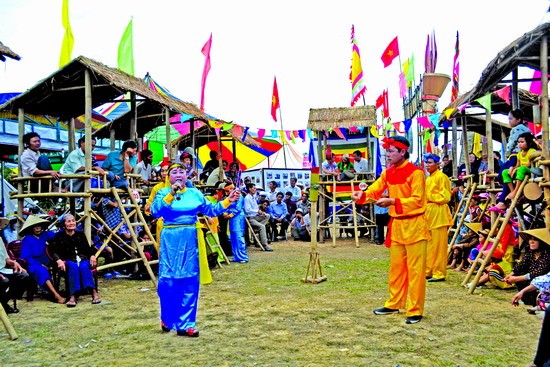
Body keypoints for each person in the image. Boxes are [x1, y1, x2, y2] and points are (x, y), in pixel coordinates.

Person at [150, 163, 240, 337]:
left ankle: (186, 323)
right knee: (168, 280)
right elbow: (155, 211)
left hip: (190, 237)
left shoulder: (195, 193)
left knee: (189, 279)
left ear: (187, 176)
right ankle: (167, 318)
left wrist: (229, 200)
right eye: (174, 172)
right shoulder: (162, 193)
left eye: (181, 172)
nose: (178, 175)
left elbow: (211, 209)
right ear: (168, 177)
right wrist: (171, 194)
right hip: (170, 237)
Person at [351, 135, 428, 324]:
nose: (387, 154)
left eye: (391, 151)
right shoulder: (388, 173)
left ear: (403, 152)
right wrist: (362, 195)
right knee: (396, 268)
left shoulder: (415, 173)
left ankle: (415, 309)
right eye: (387, 151)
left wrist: (393, 201)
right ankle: (394, 303)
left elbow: (418, 200)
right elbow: (374, 190)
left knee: (416, 271)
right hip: (397, 225)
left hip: (415, 224)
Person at [49, 214, 101, 307]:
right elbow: (53, 250)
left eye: (73, 221)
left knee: (84, 267)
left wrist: (92, 255)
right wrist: (58, 260)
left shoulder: (80, 234)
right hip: (69, 259)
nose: (72, 223)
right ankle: (72, 296)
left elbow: (88, 249)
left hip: (82, 258)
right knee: (73, 267)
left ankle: (94, 293)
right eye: (68, 221)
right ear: (63, 224)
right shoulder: (59, 236)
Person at [19, 215, 66, 304]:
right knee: (42, 271)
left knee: (64, 265)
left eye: (39, 226)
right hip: (32, 263)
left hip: (45, 260)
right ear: (31, 228)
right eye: (35, 226)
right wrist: (39, 264)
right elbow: (26, 256)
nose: (37, 228)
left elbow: (57, 235)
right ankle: (56, 294)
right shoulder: (27, 239)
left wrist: (63, 226)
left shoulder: (44, 234)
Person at [424, 154, 453, 282]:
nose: (427, 165)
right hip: (429, 212)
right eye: (426, 162)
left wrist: (429, 196)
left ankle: (439, 272)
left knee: (439, 245)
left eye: (430, 162)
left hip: (438, 211)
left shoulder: (442, 177)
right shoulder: (429, 178)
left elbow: (445, 197)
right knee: (429, 245)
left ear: (438, 164)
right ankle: (428, 270)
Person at [504, 228, 550, 306]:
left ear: (541, 242)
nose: (531, 242)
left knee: (522, 278)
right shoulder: (531, 253)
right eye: (530, 239)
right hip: (531, 278)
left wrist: (517, 278)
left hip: (542, 281)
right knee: (518, 273)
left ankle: (538, 301)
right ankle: (527, 299)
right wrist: (509, 276)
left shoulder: (547, 254)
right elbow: (521, 265)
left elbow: (540, 271)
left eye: (535, 240)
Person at [0, 217, 31, 314]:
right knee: (4, 281)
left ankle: (3, 302)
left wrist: (14, 262)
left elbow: (5, 258)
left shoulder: (0, 239)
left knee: (24, 276)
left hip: (3, 269)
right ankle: (3, 305)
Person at [503, 132, 539, 201]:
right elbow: (517, 165)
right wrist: (513, 168)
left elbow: (529, 164)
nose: (519, 144)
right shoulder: (519, 154)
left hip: (530, 171)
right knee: (505, 172)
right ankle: (512, 191)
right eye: (518, 142)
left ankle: (516, 190)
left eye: (522, 142)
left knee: (522, 168)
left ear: (528, 142)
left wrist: (517, 169)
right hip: (520, 171)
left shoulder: (532, 151)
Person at [244, 183, 273, 251]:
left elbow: (256, 208)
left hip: (256, 216)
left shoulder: (253, 197)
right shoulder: (247, 198)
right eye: (254, 188)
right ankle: (265, 245)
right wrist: (257, 211)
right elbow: (247, 210)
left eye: (255, 188)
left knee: (267, 215)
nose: (255, 189)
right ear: (249, 189)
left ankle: (257, 229)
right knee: (262, 227)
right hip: (250, 218)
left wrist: (261, 212)